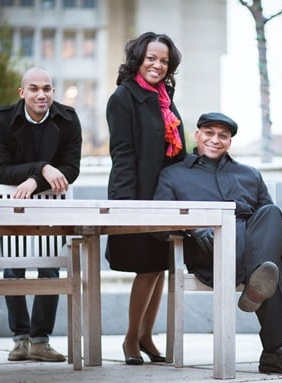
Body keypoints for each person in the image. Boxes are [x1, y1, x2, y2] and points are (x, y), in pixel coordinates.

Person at [153, 112, 282, 375]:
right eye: (209, 133)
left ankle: (258, 282)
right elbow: (159, 224)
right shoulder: (173, 175)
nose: (215, 140)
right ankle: (275, 351)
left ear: (230, 141)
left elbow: (270, 216)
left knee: (272, 214)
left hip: (252, 245)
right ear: (197, 135)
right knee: (269, 264)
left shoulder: (249, 174)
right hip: (209, 252)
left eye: (223, 136)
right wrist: (195, 228)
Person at [0, 67, 82, 362]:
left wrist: (35, 181)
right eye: (34, 89)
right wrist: (40, 168)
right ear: (22, 93)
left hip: (50, 206)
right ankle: (20, 340)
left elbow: (71, 170)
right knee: (13, 268)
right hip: (14, 204)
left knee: (50, 268)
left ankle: (40, 341)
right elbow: (0, 170)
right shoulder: (4, 118)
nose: (41, 94)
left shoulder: (68, 119)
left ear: (53, 92)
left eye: (47, 88)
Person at [105, 32, 187, 365]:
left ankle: (146, 337)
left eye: (164, 60)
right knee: (146, 267)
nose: (157, 65)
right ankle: (130, 339)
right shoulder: (123, 98)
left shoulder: (164, 96)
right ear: (138, 58)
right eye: (151, 58)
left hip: (166, 196)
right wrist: (127, 204)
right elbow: (122, 154)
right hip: (138, 194)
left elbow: (177, 149)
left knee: (160, 267)